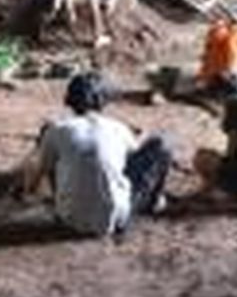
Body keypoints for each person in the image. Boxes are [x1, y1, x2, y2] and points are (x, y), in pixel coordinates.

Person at [22, 72, 171, 236]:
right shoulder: (118, 128)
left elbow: (36, 175)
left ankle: (65, 200)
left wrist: (29, 190)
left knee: (54, 148)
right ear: (104, 100)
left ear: (70, 100)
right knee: (162, 143)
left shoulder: (57, 130)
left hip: (68, 219)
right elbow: (132, 161)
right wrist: (139, 137)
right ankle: (155, 201)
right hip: (116, 220)